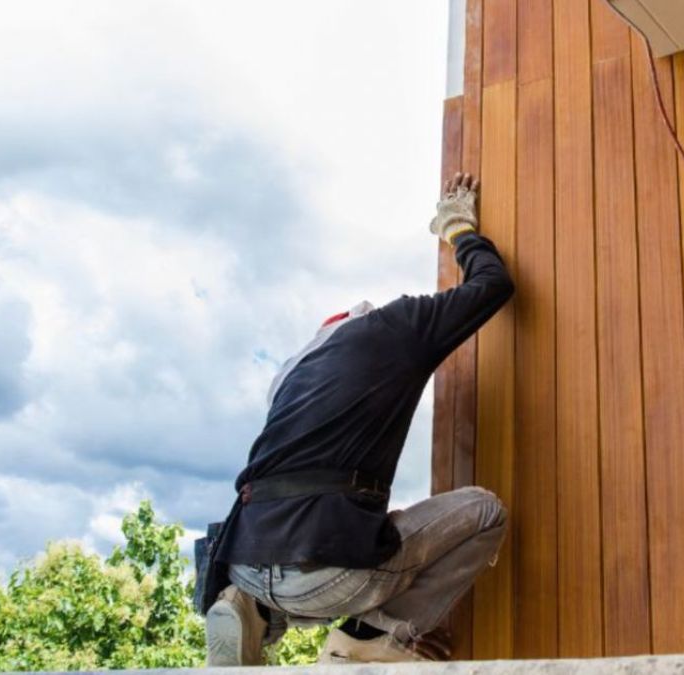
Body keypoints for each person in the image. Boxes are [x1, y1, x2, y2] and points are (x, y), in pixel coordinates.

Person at [203, 172, 513, 665]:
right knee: (484, 511)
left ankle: (248, 610)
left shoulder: (290, 377)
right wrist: (458, 227)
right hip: (327, 574)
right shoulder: (394, 326)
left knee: (310, 521)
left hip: (240, 558)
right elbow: (492, 285)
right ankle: (372, 639)